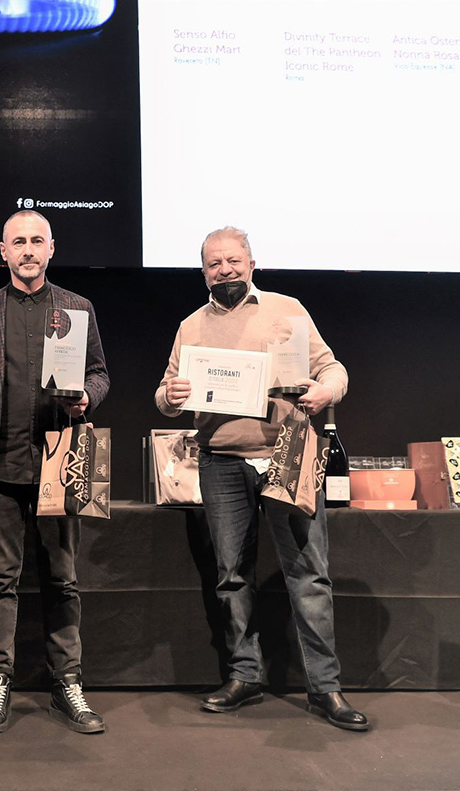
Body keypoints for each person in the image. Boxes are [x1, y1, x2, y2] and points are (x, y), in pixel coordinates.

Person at [154, 226, 369, 732]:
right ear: (202, 270)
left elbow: (333, 368)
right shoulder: (190, 326)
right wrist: (173, 395)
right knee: (232, 575)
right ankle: (245, 675)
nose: (224, 269)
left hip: (286, 455)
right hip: (221, 462)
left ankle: (326, 687)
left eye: (232, 260)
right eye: (213, 263)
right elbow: (164, 394)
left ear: (252, 262)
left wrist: (325, 392)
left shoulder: (286, 309)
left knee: (309, 574)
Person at [0, 210, 109, 735]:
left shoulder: (76, 308)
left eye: (36, 241)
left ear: (51, 248)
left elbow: (98, 373)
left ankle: (68, 683)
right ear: (3, 250)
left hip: (58, 465)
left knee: (63, 581)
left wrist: (88, 396)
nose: (27, 250)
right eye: (17, 241)